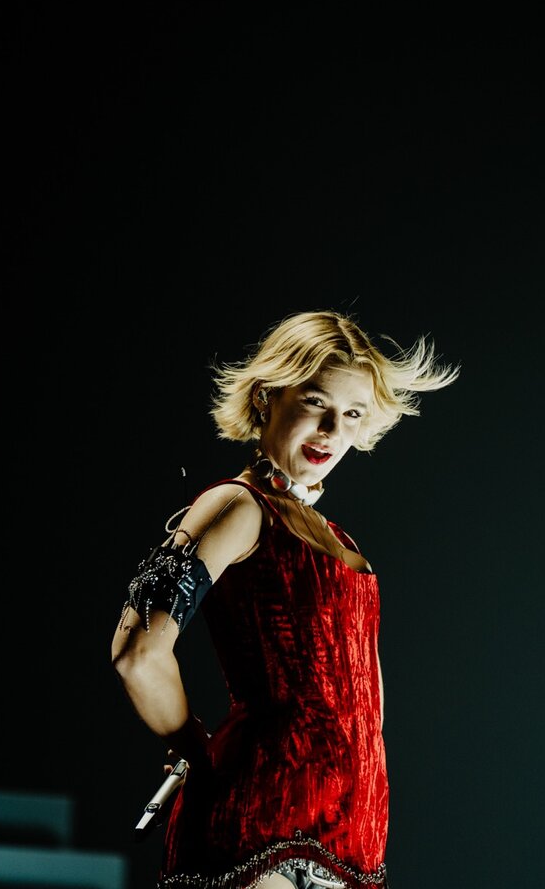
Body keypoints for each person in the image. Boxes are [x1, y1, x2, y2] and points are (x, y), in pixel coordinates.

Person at [111, 310, 459, 889]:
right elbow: (138, 651)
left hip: (354, 831)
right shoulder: (239, 505)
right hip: (262, 819)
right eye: (316, 402)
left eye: (352, 413)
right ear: (268, 395)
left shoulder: (337, 538)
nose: (332, 429)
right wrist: (195, 749)